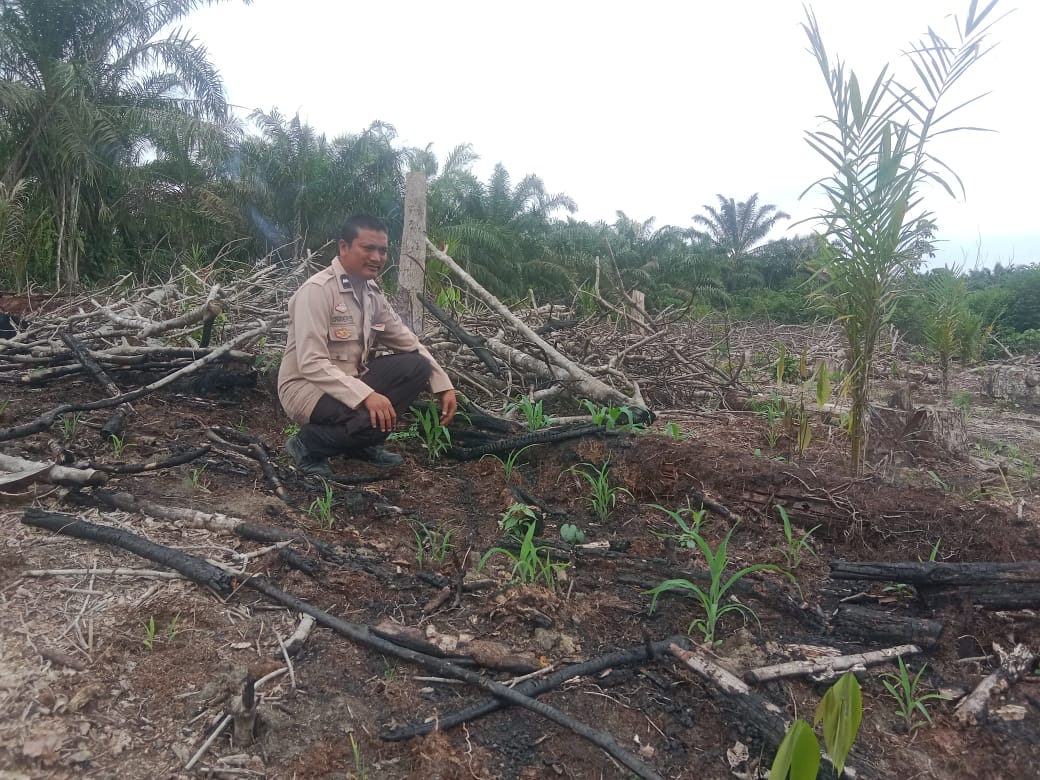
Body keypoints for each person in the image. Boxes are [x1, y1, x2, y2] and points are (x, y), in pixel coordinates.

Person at [277, 214, 457, 477]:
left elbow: (408, 341)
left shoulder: (371, 293)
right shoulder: (317, 291)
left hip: (350, 380)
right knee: (369, 420)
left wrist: (443, 385)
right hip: (306, 388)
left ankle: (361, 444)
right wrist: (366, 396)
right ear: (344, 247)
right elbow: (311, 363)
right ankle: (307, 444)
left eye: (382, 250)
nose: (377, 257)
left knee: (417, 366)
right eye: (368, 248)